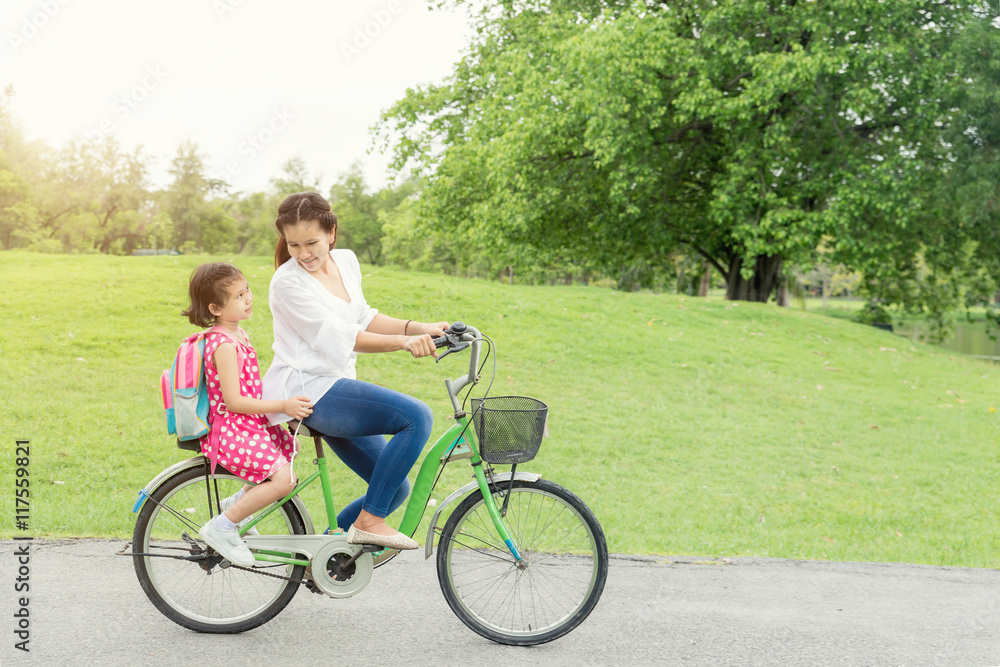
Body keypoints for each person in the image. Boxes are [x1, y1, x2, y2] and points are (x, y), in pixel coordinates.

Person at [261, 192, 447, 551]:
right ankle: (369, 523)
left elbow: (362, 317)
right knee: (417, 416)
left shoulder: (346, 261)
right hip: (310, 391)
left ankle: (325, 553)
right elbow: (340, 339)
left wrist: (418, 327)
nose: (303, 253)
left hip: (338, 386)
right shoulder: (287, 283)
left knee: (394, 488)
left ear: (331, 232)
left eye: (311, 242)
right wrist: (404, 344)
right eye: (294, 244)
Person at [182, 262, 313, 567]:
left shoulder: (239, 334)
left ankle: (237, 504)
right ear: (215, 308)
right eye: (239, 296)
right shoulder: (223, 345)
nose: (248, 298)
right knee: (285, 480)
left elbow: (252, 386)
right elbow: (235, 401)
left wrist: (284, 408)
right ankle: (222, 526)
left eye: (247, 289)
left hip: (249, 424)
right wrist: (283, 405)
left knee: (289, 447)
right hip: (231, 429)